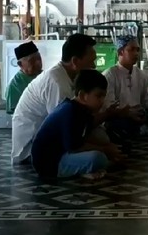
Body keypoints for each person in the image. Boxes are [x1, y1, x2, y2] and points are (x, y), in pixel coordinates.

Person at [11, 34, 105, 165]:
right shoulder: (57, 82)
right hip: (32, 148)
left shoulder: (68, 76)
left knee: (101, 137)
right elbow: (66, 129)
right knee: (98, 155)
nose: (94, 66)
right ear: (75, 62)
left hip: (53, 138)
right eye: (91, 62)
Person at [30, 69, 125, 180]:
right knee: (98, 158)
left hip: (64, 152)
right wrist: (104, 149)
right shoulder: (70, 112)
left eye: (104, 96)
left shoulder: (80, 109)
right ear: (83, 95)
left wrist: (108, 113)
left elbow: (90, 125)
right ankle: (85, 169)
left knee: (102, 137)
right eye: (98, 96)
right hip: (51, 164)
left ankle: (87, 166)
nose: (102, 101)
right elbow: (74, 146)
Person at [5, 41, 43, 114]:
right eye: (32, 60)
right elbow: (14, 114)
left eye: (39, 58)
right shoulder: (14, 86)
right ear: (20, 64)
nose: (38, 62)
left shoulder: (44, 76)